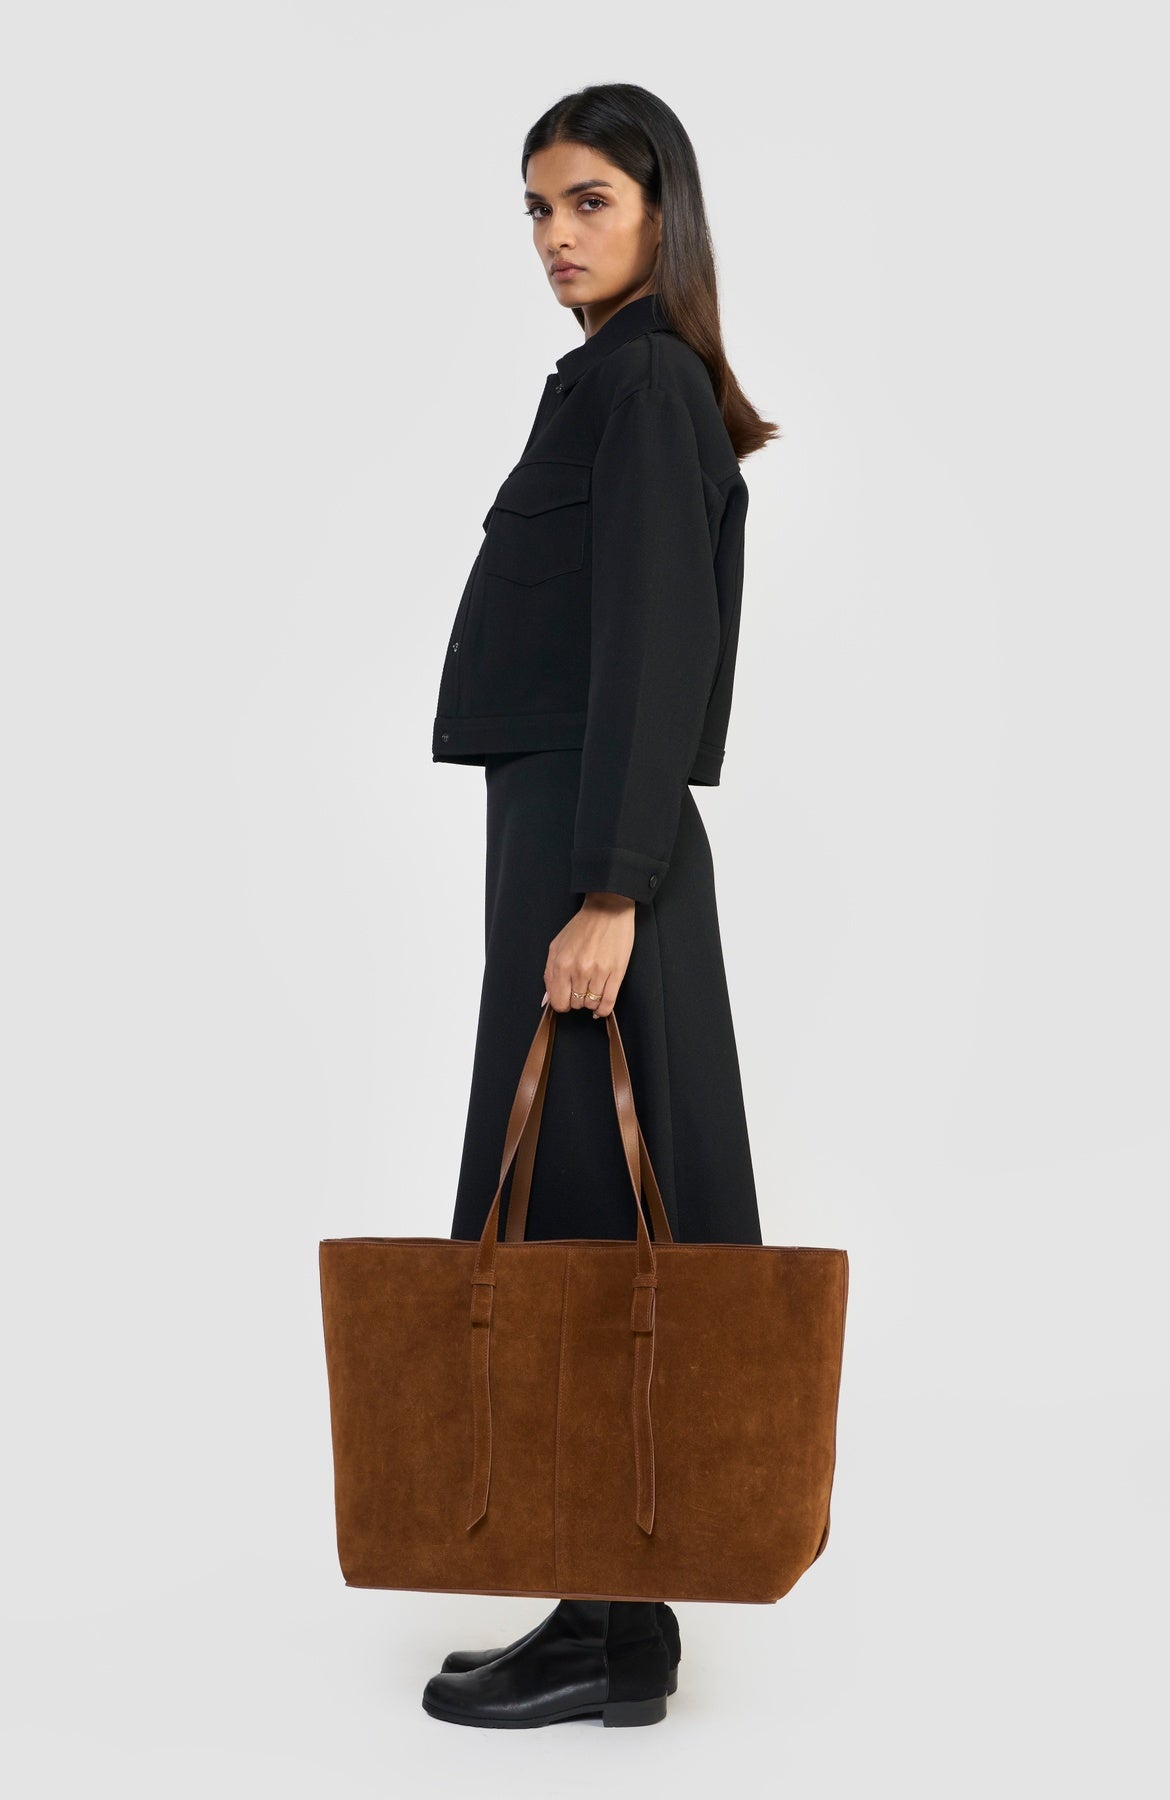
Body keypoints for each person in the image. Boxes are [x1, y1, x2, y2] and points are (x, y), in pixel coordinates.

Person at [422, 81, 778, 1729]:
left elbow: (654, 641)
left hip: (592, 847)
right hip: (569, 834)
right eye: (537, 210)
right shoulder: (619, 380)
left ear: (660, 212)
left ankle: (606, 1624)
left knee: (587, 1213)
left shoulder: (641, 384)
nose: (556, 238)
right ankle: (615, 1623)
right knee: (590, 1217)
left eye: (589, 204)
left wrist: (611, 891)